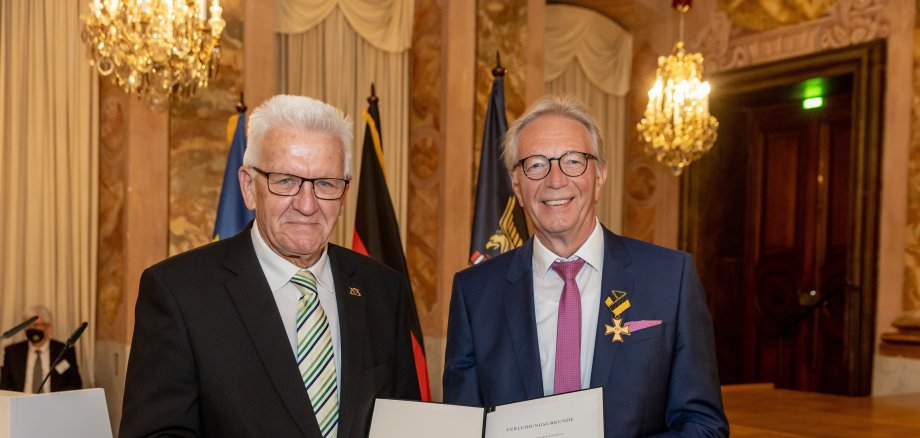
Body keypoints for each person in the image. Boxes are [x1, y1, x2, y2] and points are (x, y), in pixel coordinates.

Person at [120, 95, 421, 437]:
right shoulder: (179, 293)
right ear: (249, 187)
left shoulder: (382, 289)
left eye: (325, 184)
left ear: (344, 191)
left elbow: (402, 424)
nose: (307, 205)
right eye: (286, 181)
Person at [443, 95, 729, 436]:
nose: (555, 180)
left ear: (599, 176)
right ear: (517, 187)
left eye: (573, 161)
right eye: (536, 164)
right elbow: (461, 427)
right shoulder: (474, 292)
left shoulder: (671, 278)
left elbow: (703, 426)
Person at [0, 305, 82, 393]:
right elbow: (5, 386)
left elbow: (75, 384)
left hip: (54, 403)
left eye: (36, 325)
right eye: (28, 325)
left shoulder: (65, 350)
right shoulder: (12, 352)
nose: (31, 328)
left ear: (48, 327)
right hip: (21, 403)